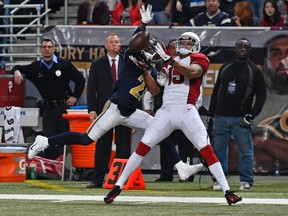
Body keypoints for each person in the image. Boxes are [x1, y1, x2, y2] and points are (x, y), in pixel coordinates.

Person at [28, 4, 203, 182]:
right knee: (86, 139)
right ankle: (44, 141)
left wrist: (150, 72)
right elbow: (135, 42)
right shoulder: (131, 57)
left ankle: (180, 167)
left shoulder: (150, 69)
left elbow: (155, 90)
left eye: (153, 48)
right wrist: (142, 24)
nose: (152, 51)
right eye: (149, 48)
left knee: (160, 131)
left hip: (131, 112)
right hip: (116, 108)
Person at [104, 32, 242, 205]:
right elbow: (155, 90)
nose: (184, 44)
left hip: (187, 110)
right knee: (142, 146)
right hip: (166, 110)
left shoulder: (199, 58)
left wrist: (169, 60)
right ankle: (117, 187)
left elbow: (191, 73)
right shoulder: (168, 63)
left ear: (196, 46)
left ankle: (227, 191)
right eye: (182, 42)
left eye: (188, 43)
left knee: (206, 148)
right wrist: (146, 69)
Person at [208, 38, 267, 191]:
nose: (242, 49)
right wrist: (211, 114)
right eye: (240, 46)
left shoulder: (254, 70)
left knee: (246, 152)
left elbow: (261, 95)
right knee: (218, 152)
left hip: (241, 119)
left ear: (250, 50)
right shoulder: (225, 67)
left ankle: (246, 181)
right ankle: (219, 181)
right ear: (234, 48)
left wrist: (251, 115)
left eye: (246, 47)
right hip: (220, 117)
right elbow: (216, 92)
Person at [13, 38, 86, 159]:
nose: (47, 49)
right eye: (44, 47)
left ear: (54, 49)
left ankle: (64, 170)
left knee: (64, 141)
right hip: (48, 110)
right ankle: (51, 171)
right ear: (41, 50)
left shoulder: (64, 64)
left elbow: (80, 80)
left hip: (64, 108)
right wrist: (16, 71)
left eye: (49, 47)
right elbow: (18, 67)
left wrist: (75, 96)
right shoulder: (35, 68)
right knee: (47, 142)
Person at [86, 33, 132, 188]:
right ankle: (97, 179)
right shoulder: (97, 63)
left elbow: (133, 87)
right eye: (111, 42)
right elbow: (91, 89)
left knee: (124, 144)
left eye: (117, 42)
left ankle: (122, 180)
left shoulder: (127, 63)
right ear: (106, 45)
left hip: (124, 108)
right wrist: (92, 109)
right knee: (103, 144)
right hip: (104, 110)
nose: (114, 44)